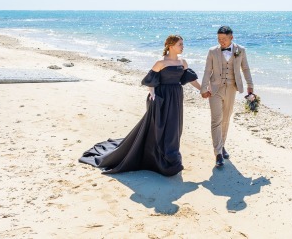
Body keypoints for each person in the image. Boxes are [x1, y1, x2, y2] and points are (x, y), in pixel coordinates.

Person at [79, 35, 201, 176]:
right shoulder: (160, 63)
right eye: (180, 44)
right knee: (159, 128)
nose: (182, 46)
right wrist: (152, 94)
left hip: (176, 97)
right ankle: (158, 158)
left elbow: (191, 79)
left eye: (182, 44)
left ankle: (172, 158)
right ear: (171, 46)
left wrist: (203, 89)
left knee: (174, 127)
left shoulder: (182, 62)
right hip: (161, 98)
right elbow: (150, 81)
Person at [200, 26, 254, 168]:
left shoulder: (240, 50)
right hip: (215, 89)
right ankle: (218, 152)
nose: (221, 41)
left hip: (231, 89)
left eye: (224, 39)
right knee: (216, 120)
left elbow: (245, 68)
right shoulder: (212, 51)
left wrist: (250, 85)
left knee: (226, 119)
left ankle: (222, 144)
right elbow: (207, 70)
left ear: (231, 37)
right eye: (219, 39)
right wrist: (203, 88)